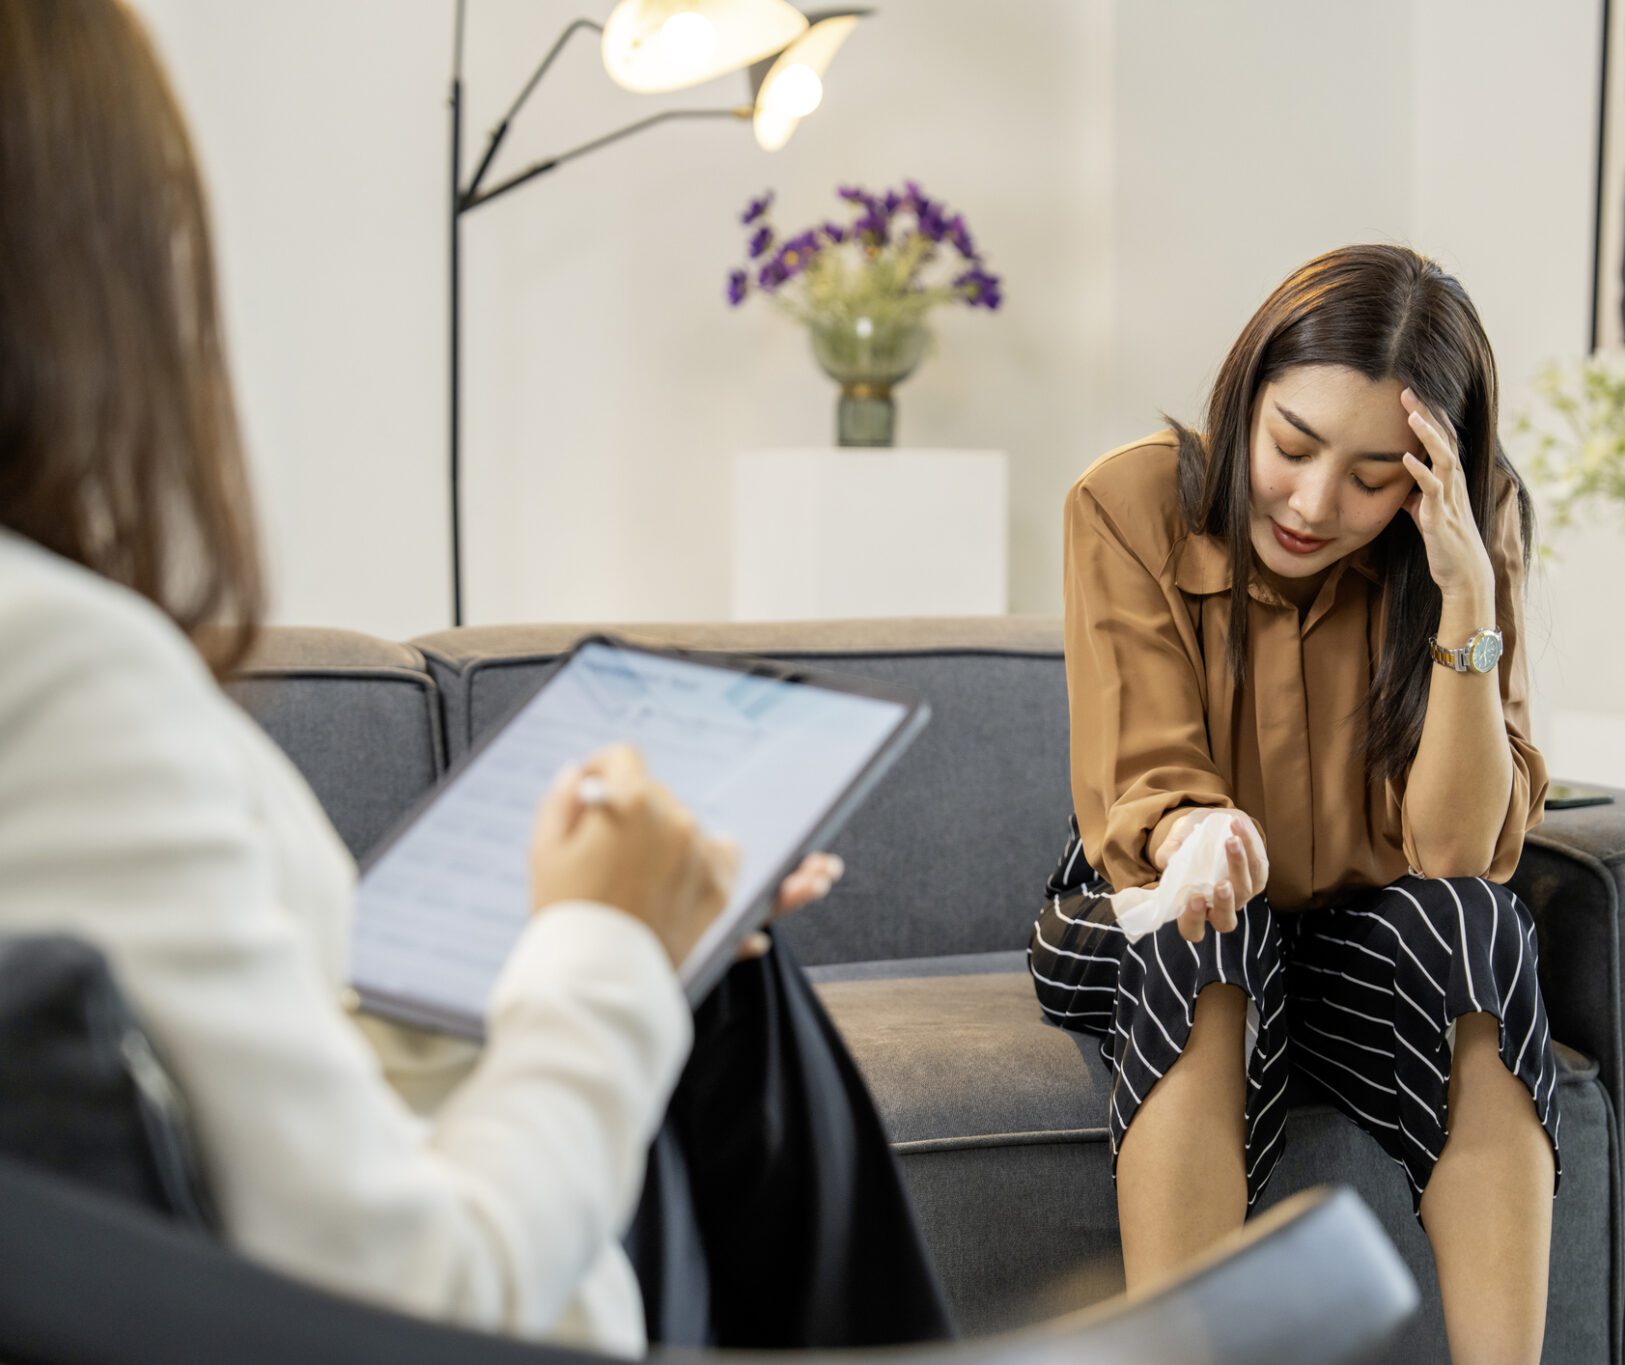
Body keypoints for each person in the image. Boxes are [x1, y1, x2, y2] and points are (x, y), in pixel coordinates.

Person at [0, 1, 948, 1355]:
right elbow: (422, 1296)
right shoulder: (54, 676)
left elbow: (220, 1089)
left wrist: (594, 922)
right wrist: (606, 945)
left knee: (721, 973)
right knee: (733, 1011)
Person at [1030, 244, 1561, 1363]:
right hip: (1150, 901)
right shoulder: (1125, 503)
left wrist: (1465, 597)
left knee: (1478, 926)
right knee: (1206, 929)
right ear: (1246, 397)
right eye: (1291, 446)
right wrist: (1196, 832)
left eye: (1374, 476)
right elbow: (1142, 782)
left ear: (1433, 475)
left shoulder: (1467, 534)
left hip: (1352, 939)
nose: (1316, 503)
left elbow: (1456, 849)